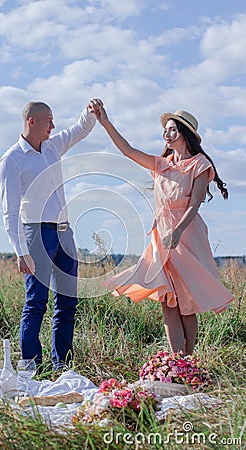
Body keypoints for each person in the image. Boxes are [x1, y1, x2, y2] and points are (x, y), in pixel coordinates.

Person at [93, 103, 234, 355]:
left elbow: (195, 204)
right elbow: (128, 151)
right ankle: (176, 360)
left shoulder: (199, 164)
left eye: (171, 130)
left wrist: (178, 232)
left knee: (186, 304)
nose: (166, 135)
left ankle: (187, 362)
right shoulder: (161, 165)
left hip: (187, 237)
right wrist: (105, 122)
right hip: (162, 238)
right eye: (165, 131)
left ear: (184, 133)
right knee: (168, 301)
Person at [0, 99, 101, 371]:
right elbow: (9, 211)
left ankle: (62, 365)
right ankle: (31, 364)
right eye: (49, 120)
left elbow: (79, 130)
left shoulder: (54, 146)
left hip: (65, 232)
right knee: (36, 301)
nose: (54, 126)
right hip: (35, 233)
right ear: (32, 121)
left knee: (67, 302)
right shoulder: (11, 160)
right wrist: (21, 250)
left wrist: (89, 112)